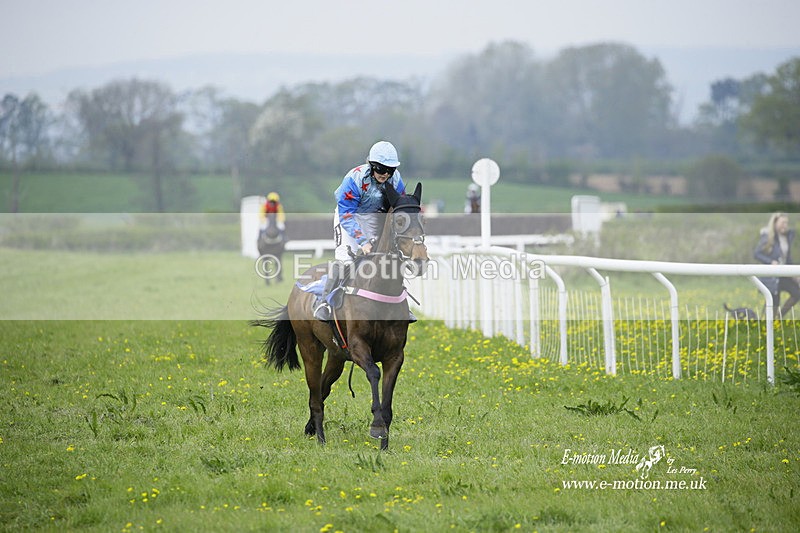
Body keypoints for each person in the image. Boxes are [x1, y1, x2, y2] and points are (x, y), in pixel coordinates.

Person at [313, 141, 409, 321]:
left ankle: (399, 306)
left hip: (375, 217)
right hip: (349, 216)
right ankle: (325, 303)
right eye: (381, 169)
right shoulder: (354, 179)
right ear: (372, 165)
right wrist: (363, 242)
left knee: (389, 260)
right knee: (346, 260)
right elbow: (346, 215)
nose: (386, 174)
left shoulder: (396, 180)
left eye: (390, 170)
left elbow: (400, 207)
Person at [754, 212, 800, 317]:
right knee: (774, 301)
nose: (785, 225)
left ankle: (779, 318)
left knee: (797, 293)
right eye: (783, 222)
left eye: (786, 223)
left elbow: (787, 258)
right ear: (775, 223)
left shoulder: (788, 236)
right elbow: (757, 253)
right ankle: (767, 324)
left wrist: (795, 275)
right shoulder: (767, 236)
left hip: (783, 273)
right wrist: (770, 262)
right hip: (772, 276)